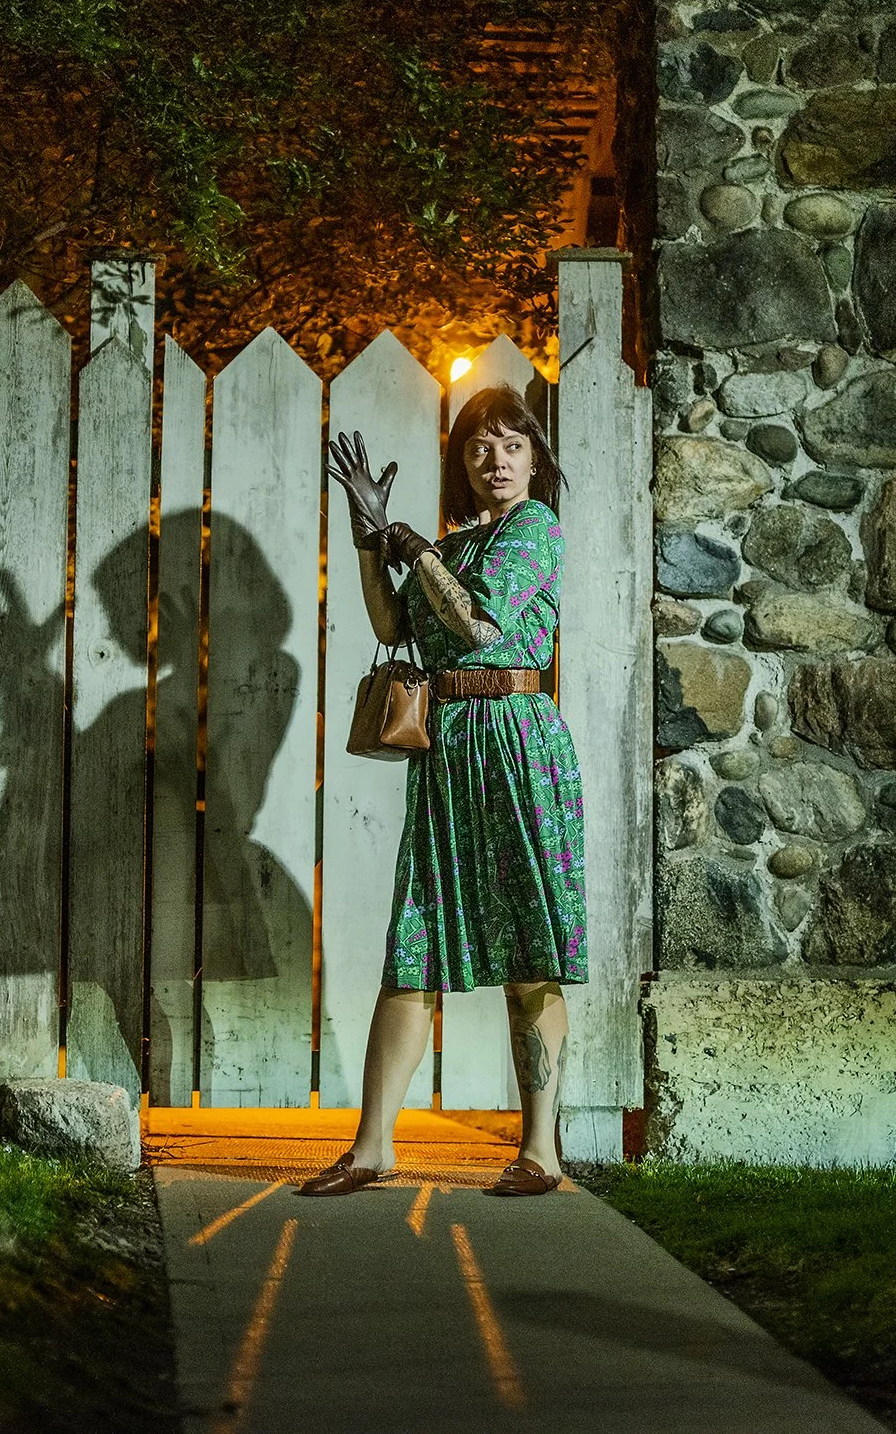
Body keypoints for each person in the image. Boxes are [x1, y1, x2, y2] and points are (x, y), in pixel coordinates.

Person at [300, 384, 586, 1199]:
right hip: (449, 750)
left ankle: (541, 1152)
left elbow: (482, 626)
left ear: (534, 457)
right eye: (478, 447)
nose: (495, 459)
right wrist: (366, 539)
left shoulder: (538, 530)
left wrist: (413, 543)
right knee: (414, 941)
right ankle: (371, 1149)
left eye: (510, 444)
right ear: (462, 463)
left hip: (519, 743)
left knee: (530, 950)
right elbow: (397, 629)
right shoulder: (459, 544)